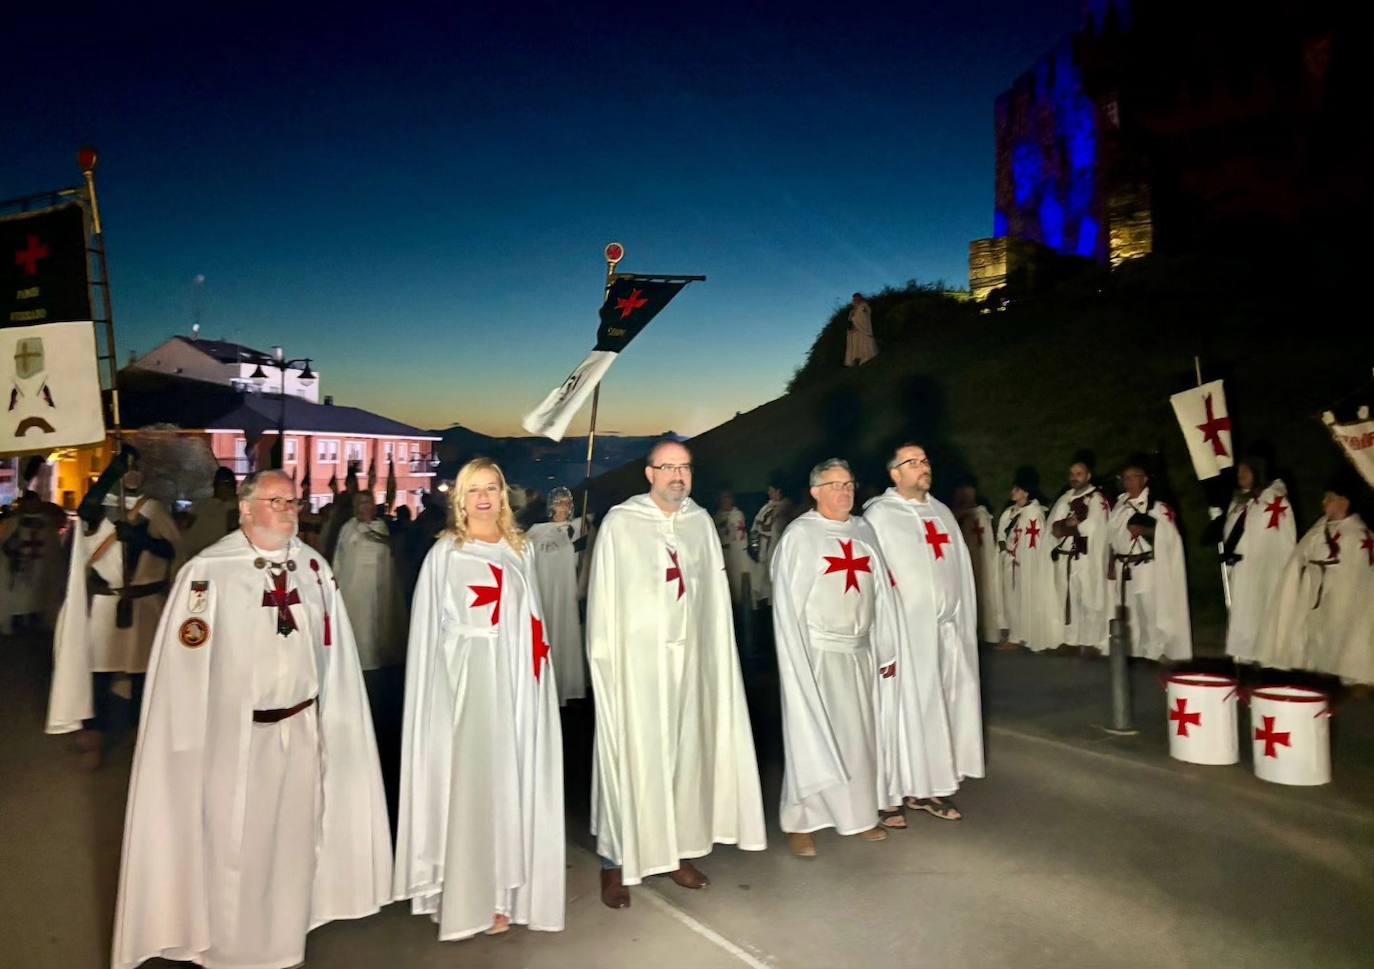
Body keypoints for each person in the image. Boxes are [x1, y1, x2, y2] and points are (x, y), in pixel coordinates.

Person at [110, 469, 392, 969]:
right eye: (275, 500)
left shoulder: (313, 568)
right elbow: (184, 665)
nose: (288, 508)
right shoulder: (209, 572)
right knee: (233, 843)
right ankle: (229, 951)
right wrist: (186, 743)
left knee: (293, 842)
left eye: (292, 500)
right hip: (235, 737)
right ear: (245, 507)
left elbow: (334, 650)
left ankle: (284, 945)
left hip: (302, 728)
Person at [587, 441, 765, 908]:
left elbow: (712, 602)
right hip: (637, 666)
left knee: (685, 755)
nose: (678, 476)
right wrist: (606, 665)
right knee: (630, 756)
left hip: (690, 663)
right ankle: (617, 860)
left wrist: (714, 662)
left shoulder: (699, 523)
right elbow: (604, 601)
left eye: (685, 467)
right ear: (649, 474)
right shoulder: (622, 524)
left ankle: (674, 852)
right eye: (668, 468)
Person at [394, 457, 565, 940]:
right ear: (460, 500)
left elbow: (531, 622)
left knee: (508, 785)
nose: (485, 498)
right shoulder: (446, 553)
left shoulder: (520, 549)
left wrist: (533, 682)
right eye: (474, 490)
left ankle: (502, 896)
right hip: (466, 687)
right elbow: (430, 635)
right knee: (471, 787)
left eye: (492, 488)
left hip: (515, 684)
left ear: (504, 494)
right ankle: (464, 895)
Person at [772, 458, 902, 854]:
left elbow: (882, 594)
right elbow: (787, 606)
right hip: (818, 654)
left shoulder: (864, 529)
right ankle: (802, 821)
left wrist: (887, 647)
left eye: (849, 484)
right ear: (815, 492)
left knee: (860, 738)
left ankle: (859, 814)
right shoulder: (800, 536)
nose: (845, 492)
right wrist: (796, 663)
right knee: (811, 734)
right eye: (835, 485)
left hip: (859, 650)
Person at [47, 443, 182, 769]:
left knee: (143, 675)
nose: (133, 472)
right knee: (99, 674)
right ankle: (95, 737)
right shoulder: (99, 510)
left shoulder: (155, 509)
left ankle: (141, 734)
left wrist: (142, 540)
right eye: (128, 466)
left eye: (136, 466)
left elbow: (173, 552)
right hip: (107, 607)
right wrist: (111, 473)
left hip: (144, 604)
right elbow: (87, 507)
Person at [865, 445, 982, 820]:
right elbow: (874, 579)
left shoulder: (942, 512)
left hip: (945, 630)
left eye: (925, 461)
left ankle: (929, 789)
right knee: (901, 709)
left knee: (940, 706)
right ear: (894, 474)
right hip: (904, 634)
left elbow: (958, 569)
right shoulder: (879, 516)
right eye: (912, 463)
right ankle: (890, 794)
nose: (922, 467)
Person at [1255, 471, 1373, 682]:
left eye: (1329, 497)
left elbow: (1354, 576)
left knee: (1339, 641)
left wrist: (1319, 573)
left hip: (1339, 603)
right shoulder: (1320, 528)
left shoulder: (1358, 535)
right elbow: (1300, 558)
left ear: (1344, 501)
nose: (1323, 501)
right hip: (1313, 599)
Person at [1107, 458, 1192, 662]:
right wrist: (1110, 563)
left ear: (1144, 479)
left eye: (1133, 477)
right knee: (1130, 612)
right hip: (1123, 566)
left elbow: (1170, 536)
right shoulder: (1119, 505)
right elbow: (1111, 537)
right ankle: (1135, 653)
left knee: (1149, 610)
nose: (1128, 482)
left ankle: (1154, 653)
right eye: (1125, 478)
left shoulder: (1158, 506)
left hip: (1146, 566)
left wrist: (1145, 530)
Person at [1219, 452, 1296, 666]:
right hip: (1243, 569)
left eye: (1245, 470)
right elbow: (1233, 529)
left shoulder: (1275, 500)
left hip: (1266, 570)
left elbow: (1281, 538)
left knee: (1264, 611)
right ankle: (1244, 659)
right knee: (1243, 614)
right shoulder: (1240, 500)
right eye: (1239, 470)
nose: (1240, 474)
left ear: (1257, 472)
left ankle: (1268, 662)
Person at [524, 486, 587, 703]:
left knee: (566, 636)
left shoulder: (579, 527)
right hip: (545, 594)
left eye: (568, 502)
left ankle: (568, 687)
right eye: (560, 502)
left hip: (567, 594)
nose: (565, 507)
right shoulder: (536, 532)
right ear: (551, 506)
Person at [1047, 454, 1113, 655]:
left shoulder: (1096, 498)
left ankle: (1093, 641)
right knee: (1069, 598)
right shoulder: (1065, 498)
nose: (1074, 477)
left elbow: (1093, 527)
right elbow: (1054, 529)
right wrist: (1067, 526)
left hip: (1087, 557)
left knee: (1090, 597)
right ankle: (1071, 639)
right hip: (1067, 556)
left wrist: (1066, 527)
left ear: (1088, 475)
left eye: (1079, 473)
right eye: (1072, 474)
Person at [995, 467, 1059, 652]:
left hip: (1026, 564)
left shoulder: (1034, 514)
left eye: (1016, 489)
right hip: (1010, 563)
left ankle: (1025, 636)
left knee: (1025, 598)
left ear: (1026, 491)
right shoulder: (1010, 513)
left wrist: (1022, 557)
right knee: (1011, 599)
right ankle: (1015, 635)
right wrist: (1003, 548)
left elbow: (1035, 543)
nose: (1012, 492)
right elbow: (1001, 534)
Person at [0, 490, 63, 634]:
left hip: (41, 570)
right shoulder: (12, 522)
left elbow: (53, 549)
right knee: (18, 601)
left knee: (38, 600)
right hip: (18, 570)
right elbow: (5, 544)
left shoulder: (48, 524)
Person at [950, 483, 1002, 645]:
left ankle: (987, 633)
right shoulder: (957, 516)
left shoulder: (981, 515)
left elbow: (986, 539)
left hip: (981, 559)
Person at [176, 466, 239, 569]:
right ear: (215, 486)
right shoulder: (202, 505)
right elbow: (186, 524)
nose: (226, 488)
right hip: (196, 560)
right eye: (223, 484)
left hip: (222, 561)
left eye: (229, 485)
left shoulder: (240, 506)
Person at [748, 483, 792, 606]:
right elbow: (756, 526)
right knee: (762, 578)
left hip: (776, 544)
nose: (769, 493)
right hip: (764, 546)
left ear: (779, 491)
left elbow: (773, 526)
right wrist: (755, 546)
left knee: (776, 576)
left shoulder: (785, 506)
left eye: (771, 490)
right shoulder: (766, 507)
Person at [714, 491, 750, 606]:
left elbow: (739, 533)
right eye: (723, 498)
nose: (725, 501)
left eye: (727, 498)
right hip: (722, 553)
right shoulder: (717, 516)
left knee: (737, 584)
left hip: (736, 553)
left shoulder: (737, 514)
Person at [845, 292, 877, 367]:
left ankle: (866, 358)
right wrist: (851, 322)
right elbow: (850, 319)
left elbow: (865, 315)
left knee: (864, 342)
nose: (855, 299)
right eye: (854, 298)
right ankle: (857, 360)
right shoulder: (852, 309)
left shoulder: (864, 306)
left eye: (857, 298)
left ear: (860, 298)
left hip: (863, 329)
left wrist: (855, 319)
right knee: (856, 346)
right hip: (854, 330)